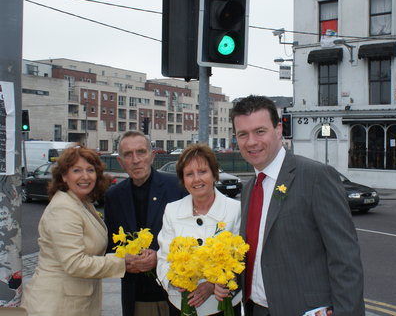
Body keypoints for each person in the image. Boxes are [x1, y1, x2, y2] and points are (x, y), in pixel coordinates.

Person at [230, 95, 365, 316]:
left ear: (278, 130)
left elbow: (345, 259)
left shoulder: (315, 177)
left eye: (260, 131)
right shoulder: (249, 188)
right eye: (243, 134)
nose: (251, 142)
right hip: (256, 309)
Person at [21, 145, 135, 316]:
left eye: (90, 170)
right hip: (56, 305)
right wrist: (123, 262)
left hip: (74, 302)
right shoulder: (63, 208)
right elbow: (75, 263)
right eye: (77, 170)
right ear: (64, 176)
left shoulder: (82, 202)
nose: (85, 176)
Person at [104, 131, 187, 316]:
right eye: (128, 154)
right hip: (137, 297)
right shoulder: (114, 196)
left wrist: (158, 257)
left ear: (152, 156)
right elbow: (110, 247)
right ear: (120, 161)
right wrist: (125, 261)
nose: (135, 160)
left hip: (177, 295)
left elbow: (193, 238)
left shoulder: (177, 188)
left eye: (141, 152)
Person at [156, 144, 242, 316]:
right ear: (183, 180)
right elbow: (163, 258)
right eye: (189, 174)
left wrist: (213, 285)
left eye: (202, 172)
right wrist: (175, 281)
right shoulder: (172, 210)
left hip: (223, 307)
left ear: (214, 174)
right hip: (182, 304)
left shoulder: (235, 209)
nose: (196, 179)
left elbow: (243, 260)